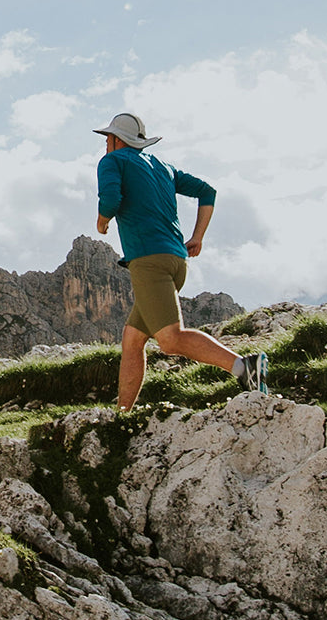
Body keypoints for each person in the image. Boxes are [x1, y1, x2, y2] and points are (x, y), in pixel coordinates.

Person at [94, 112, 268, 410]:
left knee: (170, 340)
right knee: (132, 340)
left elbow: (110, 199)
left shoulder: (112, 161)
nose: (105, 144)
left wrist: (102, 221)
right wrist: (198, 236)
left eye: (107, 138)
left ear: (114, 139)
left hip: (149, 262)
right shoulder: (162, 166)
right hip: (176, 260)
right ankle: (123, 414)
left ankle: (244, 367)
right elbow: (207, 191)